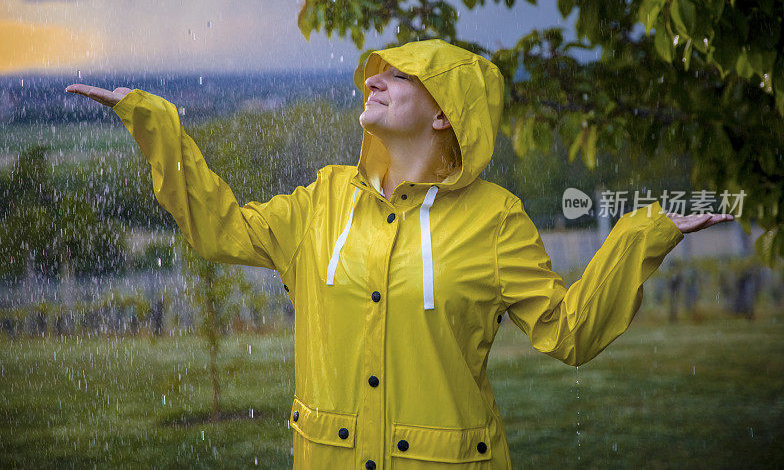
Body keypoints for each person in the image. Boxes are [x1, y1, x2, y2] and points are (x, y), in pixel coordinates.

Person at [66, 39, 732, 469]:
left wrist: (644, 236)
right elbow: (219, 230)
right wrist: (154, 122)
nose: (375, 77)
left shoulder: (495, 219)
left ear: (446, 114)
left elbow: (571, 331)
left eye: (400, 73)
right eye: (376, 70)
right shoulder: (323, 200)